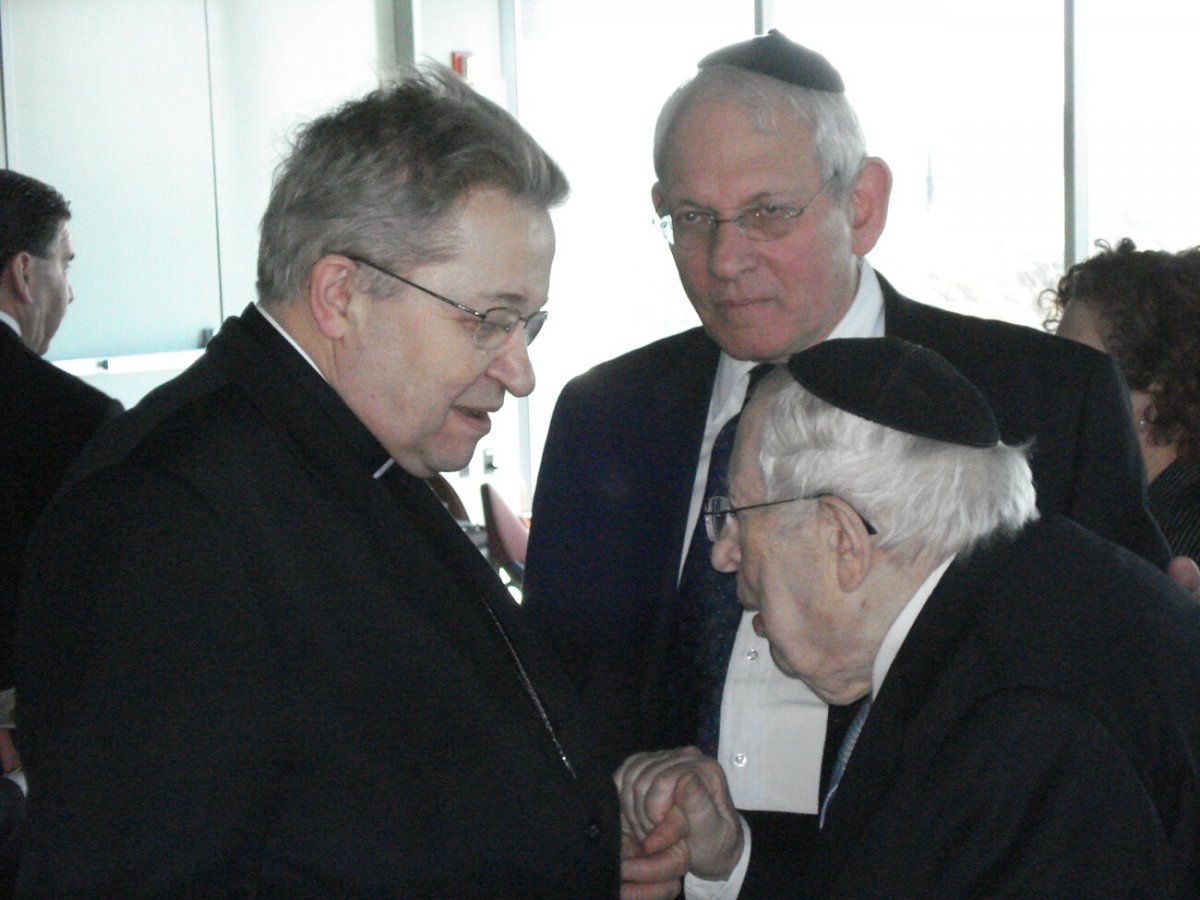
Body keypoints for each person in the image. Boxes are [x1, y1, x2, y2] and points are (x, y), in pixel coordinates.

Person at [523, 29, 1177, 891]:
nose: (725, 258)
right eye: (691, 218)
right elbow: (552, 694)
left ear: (862, 203)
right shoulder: (604, 413)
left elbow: (1113, 710)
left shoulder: (1042, 399)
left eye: (768, 211)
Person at [15, 67, 620, 896]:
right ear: (342, 295)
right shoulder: (164, 519)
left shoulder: (360, 444)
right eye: (489, 320)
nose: (520, 373)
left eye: (528, 324)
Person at [617, 338, 1200, 897]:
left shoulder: (1025, 721)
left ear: (843, 541)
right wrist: (732, 859)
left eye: (739, 515)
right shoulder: (1011, 604)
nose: (722, 554)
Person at [0, 169, 122, 693]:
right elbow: (98, 609)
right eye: (65, 264)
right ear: (24, 274)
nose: (70, 294)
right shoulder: (76, 418)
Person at [1047, 238, 1200, 559]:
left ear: (1152, 402)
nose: (1052, 383)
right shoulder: (1105, 509)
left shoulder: (1176, 537)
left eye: (1077, 367)